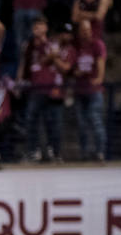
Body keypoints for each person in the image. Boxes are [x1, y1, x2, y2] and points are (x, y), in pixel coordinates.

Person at [18, 17, 68, 161]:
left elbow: (56, 61)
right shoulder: (28, 45)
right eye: (35, 26)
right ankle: (34, 151)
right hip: (34, 87)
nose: (37, 28)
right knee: (31, 121)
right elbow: (23, 64)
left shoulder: (52, 43)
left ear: (45, 28)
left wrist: (50, 56)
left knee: (53, 122)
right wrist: (19, 81)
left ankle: (54, 152)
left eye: (40, 25)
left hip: (51, 88)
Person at [69, 18, 108, 160]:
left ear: (91, 30)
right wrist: (75, 73)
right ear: (79, 32)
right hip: (79, 90)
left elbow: (100, 62)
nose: (85, 33)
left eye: (87, 30)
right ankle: (84, 153)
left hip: (94, 90)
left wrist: (99, 78)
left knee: (95, 119)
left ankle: (100, 152)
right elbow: (70, 67)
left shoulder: (97, 44)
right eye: (82, 30)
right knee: (81, 124)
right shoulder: (76, 47)